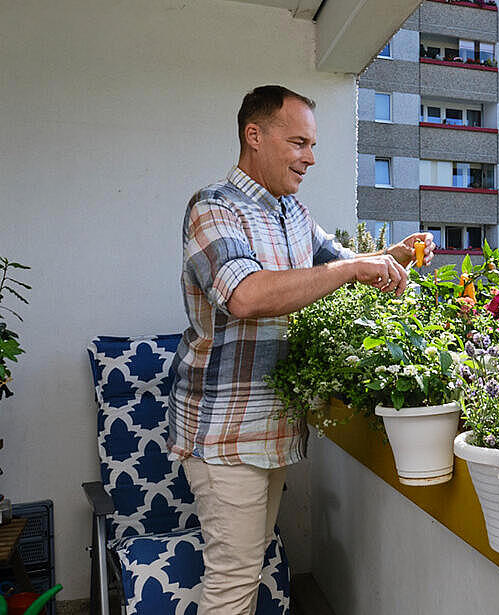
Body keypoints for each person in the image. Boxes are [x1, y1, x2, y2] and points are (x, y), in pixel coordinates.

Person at [168, 84, 431, 615]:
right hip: (226, 430)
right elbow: (244, 296)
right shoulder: (213, 207)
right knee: (234, 582)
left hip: (273, 428)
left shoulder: (291, 212)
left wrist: (392, 254)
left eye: (313, 145)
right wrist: (352, 267)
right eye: (298, 143)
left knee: (247, 568)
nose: (310, 157)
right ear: (254, 136)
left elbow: (341, 265)